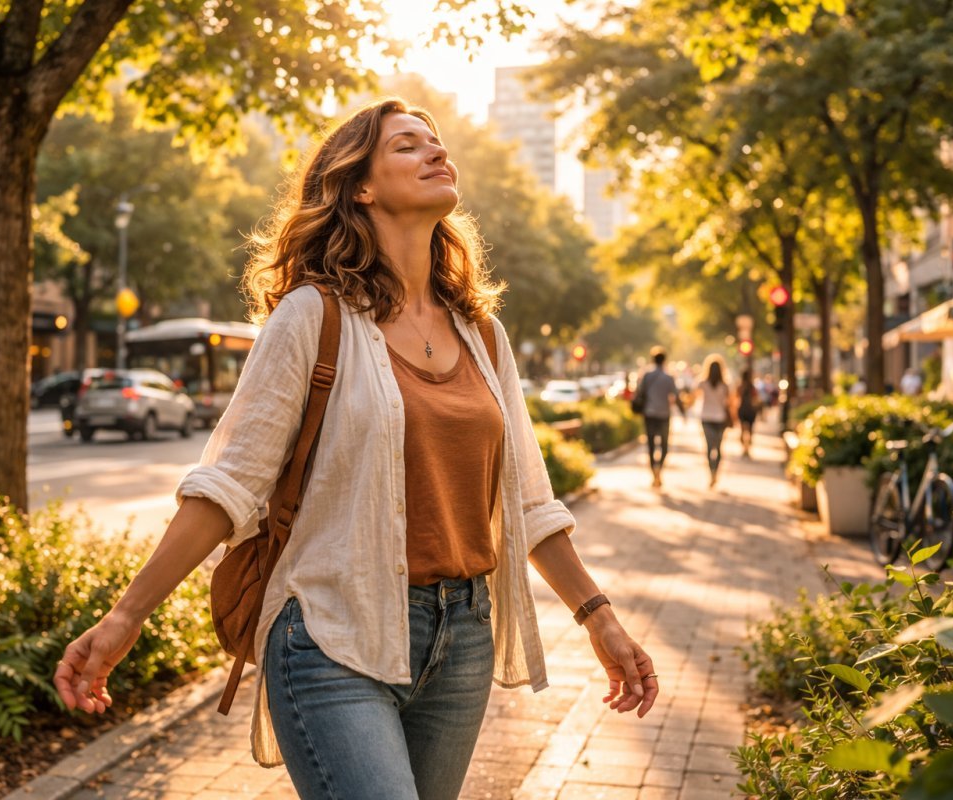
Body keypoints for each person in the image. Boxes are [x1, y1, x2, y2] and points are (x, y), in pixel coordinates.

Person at [52, 98, 658, 800]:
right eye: (408, 145)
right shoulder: (313, 316)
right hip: (329, 635)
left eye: (438, 142)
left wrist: (599, 617)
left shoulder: (481, 335)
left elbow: (527, 501)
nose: (437, 153)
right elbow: (227, 486)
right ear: (360, 186)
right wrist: (125, 616)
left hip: (461, 638)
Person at [638, 346, 685, 488]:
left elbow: (640, 393)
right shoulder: (669, 377)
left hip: (649, 414)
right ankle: (659, 469)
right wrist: (683, 412)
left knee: (651, 445)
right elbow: (676, 396)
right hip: (664, 414)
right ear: (664, 360)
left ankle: (654, 472)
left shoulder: (647, 376)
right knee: (664, 446)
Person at [695, 355, 733, 488]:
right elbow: (729, 403)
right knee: (718, 447)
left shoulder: (702, 383)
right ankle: (715, 472)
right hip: (720, 418)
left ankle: (711, 473)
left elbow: (694, 397)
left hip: (706, 418)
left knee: (709, 447)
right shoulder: (725, 385)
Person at [736, 368, 759, 459]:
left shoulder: (740, 386)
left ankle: (744, 447)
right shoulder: (752, 387)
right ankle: (747, 448)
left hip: (742, 410)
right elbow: (755, 399)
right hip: (751, 410)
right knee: (750, 430)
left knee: (742, 430)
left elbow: (736, 397)